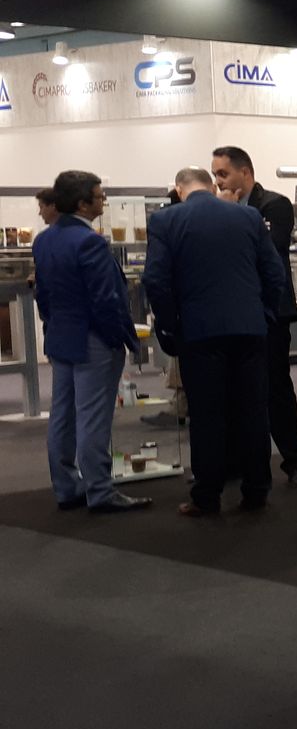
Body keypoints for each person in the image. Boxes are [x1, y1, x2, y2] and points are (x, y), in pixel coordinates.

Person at [145, 166, 286, 518]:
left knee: (207, 416)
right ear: (210, 187)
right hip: (249, 329)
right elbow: (274, 272)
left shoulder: (165, 221)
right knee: (253, 412)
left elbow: (156, 280)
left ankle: (207, 496)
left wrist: (170, 325)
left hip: (199, 332)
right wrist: (264, 313)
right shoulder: (248, 217)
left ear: (179, 190)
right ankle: (257, 490)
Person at [32, 170, 149, 514]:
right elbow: (105, 299)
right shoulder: (89, 242)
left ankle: (67, 487)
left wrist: (53, 327)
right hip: (93, 340)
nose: (103, 201)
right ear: (82, 203)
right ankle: (100, 490)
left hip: (61, 337)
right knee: (93, 418)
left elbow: (44, 296)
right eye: (99, 196)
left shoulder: (44, 240)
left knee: (63, 417)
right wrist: (118, 338)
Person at [210, 145, 297, 486]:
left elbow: (267, 250)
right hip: (234, 312)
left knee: (276, 387)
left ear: (245, 172)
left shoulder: (274, 205)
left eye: (223, 173)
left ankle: (295, 462)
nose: (218, 181)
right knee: (234, 390)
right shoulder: (219, 209)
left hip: (271, 312)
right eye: (215, 175)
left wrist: (228, 216)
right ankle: (239, 462)